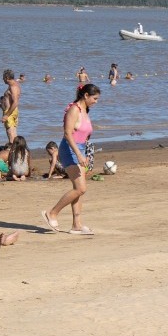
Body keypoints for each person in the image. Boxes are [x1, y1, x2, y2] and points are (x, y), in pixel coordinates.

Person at [40, 83, 101, 235]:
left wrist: (86, 154)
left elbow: (85, 135)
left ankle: (76, 225)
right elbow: (67, 134)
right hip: (69, 149)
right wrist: (78, 154)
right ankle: (52, 213)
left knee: (78, 189)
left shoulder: (86, 110)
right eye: (94, 98)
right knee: (81, 188)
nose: (96, 101)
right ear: (86, 95)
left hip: (80, 148)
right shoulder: (74, 109)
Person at [0, 69, 20, 144]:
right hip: (11, 111)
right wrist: (0, 105)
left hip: (10, 112)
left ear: (7, 77)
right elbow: (9, 100)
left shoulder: (13, 87)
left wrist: (6, 115)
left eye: (3, 77)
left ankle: (14, 150)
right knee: (13, 134)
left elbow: (15, 102)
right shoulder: (12, 85)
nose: (2, 79)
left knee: (11, 136)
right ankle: (16, 149)